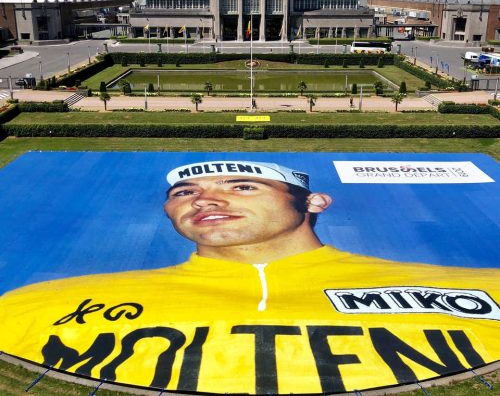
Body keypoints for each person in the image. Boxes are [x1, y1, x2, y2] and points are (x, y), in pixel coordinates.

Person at [0, 160, 499, 395]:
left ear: (314, 201)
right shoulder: (40, 303)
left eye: (241, 185)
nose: (205, 199)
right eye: (184, 192)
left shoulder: (485, 288)